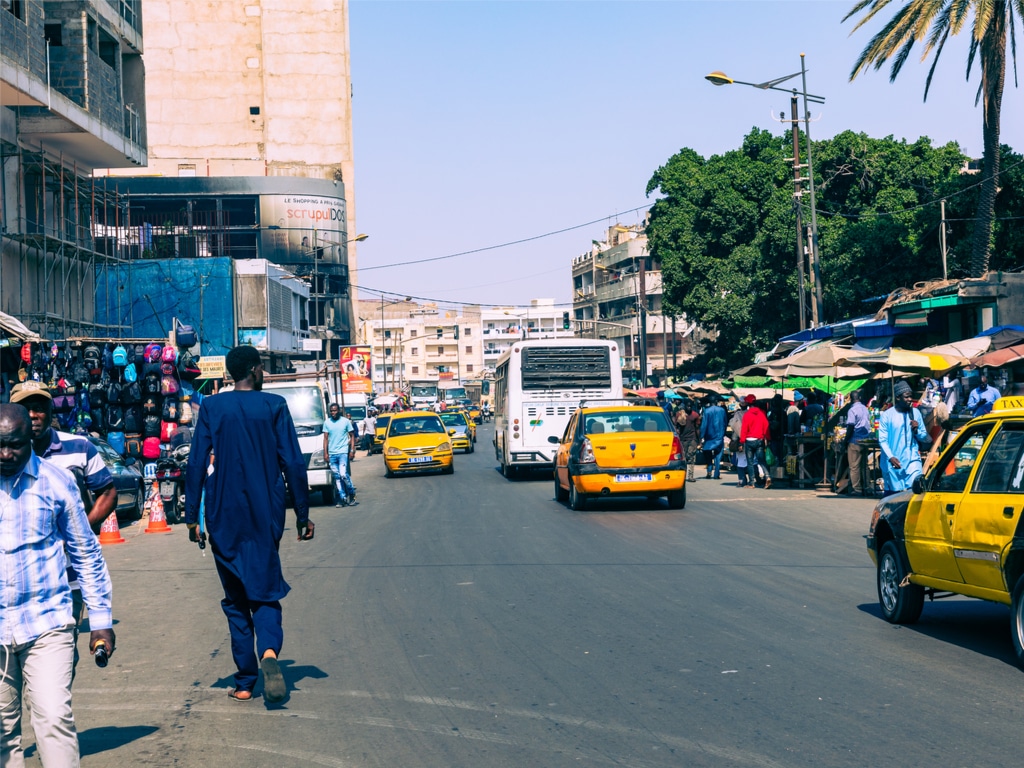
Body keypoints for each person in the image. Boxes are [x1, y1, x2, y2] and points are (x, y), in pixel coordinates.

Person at [184, 346, 313, 704]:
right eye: (262, 371)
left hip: (223, 514)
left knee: (236, 598)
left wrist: (192, 516)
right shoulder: (273, 406)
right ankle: (269, 652)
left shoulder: (211, 407)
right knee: (266, 590)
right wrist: (302, 513)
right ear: (255, 370)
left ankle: (244, 683)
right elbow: (293, 463)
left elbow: (196, 464)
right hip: (264, 513)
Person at [0, 403, 115, 767]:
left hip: (47, 623)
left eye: (14, 444)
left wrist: (100, 618)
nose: (5, 453)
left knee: (52, 719)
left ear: (30, 440)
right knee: (2, 731)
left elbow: (86, 554)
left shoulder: (56, 483)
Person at [10, 381, 117, 672]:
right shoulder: (5, 455)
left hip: (66, 577)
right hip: (14, 578)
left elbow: (107, 492)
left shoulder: (79, 447)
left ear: (49, 412)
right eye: (25, 409)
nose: (33, 415)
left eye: (39, 408)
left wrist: (79, 529)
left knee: (58, 659)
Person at [878, 380, 929, 495]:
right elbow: (882, 440)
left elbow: (924, 436)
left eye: (911, 396)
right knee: (893, 495)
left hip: (912, 459)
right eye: (906, 397)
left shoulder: (915, 413)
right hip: (893, 461)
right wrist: (891, 457)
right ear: (898, 398)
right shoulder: (887, 416)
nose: (910, 399)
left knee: (915, 490)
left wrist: (917, 430)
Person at [323, 403, 356, 506]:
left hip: (342, 452)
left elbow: (352, 436)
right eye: (331, 411)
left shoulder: (345, 421)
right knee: (337, 477)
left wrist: (352, 450)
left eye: (335, 410)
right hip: (332, 454)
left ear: (339, 411)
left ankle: (351, 493)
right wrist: (325, 453)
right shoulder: (327, 422)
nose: (333, 412)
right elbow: (325, 438)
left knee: (343, 474)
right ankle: (342, 498)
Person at [843, 390, 873, 496]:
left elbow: (850, 426)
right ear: (859, 398)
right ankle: (867, 487)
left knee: (854, 466)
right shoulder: (865, 408)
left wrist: (845, 440)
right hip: (865, 440)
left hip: (855, 441)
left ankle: (857, 489)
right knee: (864, 465)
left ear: (851, 399)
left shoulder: (852, 410)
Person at [740, 394, 771, 489]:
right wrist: (768, 438)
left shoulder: (747, 415)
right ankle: (767, 476)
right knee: (761, 461)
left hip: (749, 441)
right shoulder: (761, 413)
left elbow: (744, 429)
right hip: (759, 440)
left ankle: (752, 483)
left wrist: (742, 441)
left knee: (750, 462)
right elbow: (766, 426)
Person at [700, 395, 727, 480]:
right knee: (718, 456)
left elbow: (704, 425)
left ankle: (709, 470)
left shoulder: (707, 411)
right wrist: (724, 433)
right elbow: (725, 422)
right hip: (719, 436)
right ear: (716, 401)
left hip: (709, 436)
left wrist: (701, 436)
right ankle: (716, 473)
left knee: (708, 454)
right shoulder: (722, 410)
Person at [675, 400, 701, 481]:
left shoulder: (695, 415)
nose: (689, 408)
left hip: (692, 439)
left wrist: (699, 439)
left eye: (690, 406)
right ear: (685, 406)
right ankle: (683, 475)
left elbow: (697, 428)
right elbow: (676, 426)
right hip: (682, 439)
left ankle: (690, 476)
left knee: (691, 457)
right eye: (687, 406)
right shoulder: (679, 414)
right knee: (683, 458)